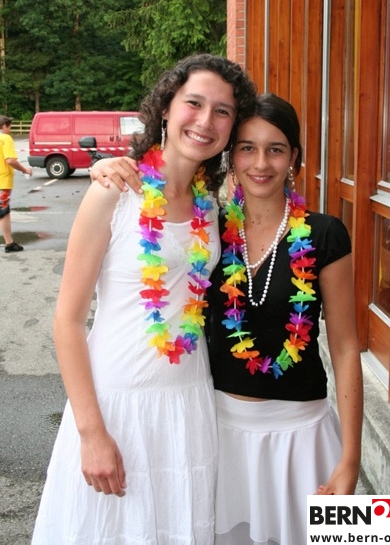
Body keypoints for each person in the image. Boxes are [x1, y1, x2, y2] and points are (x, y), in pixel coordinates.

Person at [91, 93, 363, 545]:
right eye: (247, 148)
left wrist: (351, 459)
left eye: (275, 149)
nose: (261, 163)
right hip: (219, 434)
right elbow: (162, 198)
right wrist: (110, 166)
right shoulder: (209, 230)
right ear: (231, 156)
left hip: (304, 434)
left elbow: (347, 347)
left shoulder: (325, 233)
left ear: (294, 158)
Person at [31, 53, 257, 545]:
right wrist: (92, 433)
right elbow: (67, 321)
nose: (206, 121)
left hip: (188, 402)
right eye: (194, 103)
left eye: (222, 111)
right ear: (166, 108)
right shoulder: (114, 192)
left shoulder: (210, 204)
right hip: (117, 405)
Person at [0, 115, 33, 252]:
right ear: (4, 126)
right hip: (3, 181)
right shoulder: (5, 138)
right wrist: (25, 169)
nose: (10, 130)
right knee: (3, 211)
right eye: (9, 127)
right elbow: (10, 160)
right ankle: (9, 243)